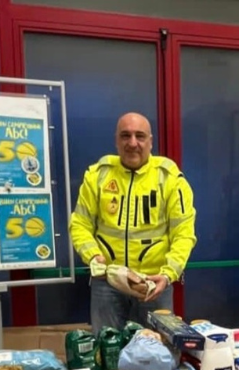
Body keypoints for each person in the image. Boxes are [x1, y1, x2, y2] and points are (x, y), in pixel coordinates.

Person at [69, 112, 197, 332]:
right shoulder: (98, 176)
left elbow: (184, 234)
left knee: (157, 356)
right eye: (125, 136)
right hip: (107, 283)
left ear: (150, 142)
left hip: (154, 284)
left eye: (140, 136)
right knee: (107, 354)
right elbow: (79, 224)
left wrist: (168, 275)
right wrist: (93, 256)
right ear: (116, 140)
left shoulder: (169, 179)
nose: (133, 143)